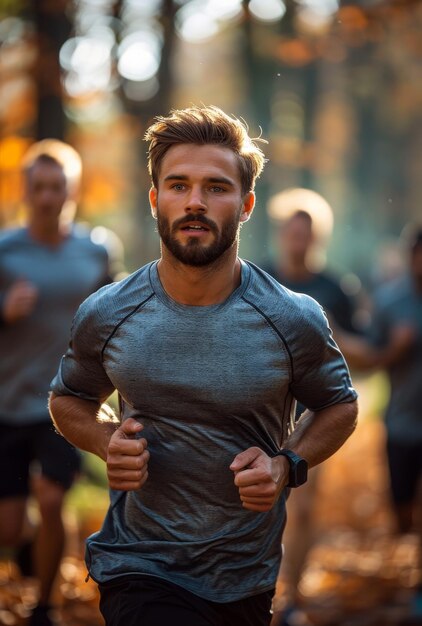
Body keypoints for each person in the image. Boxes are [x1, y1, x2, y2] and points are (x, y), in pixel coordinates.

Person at [48, 105, 358, 626]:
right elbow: (69, 398)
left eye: (216, 187)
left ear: (246, 205)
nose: (195, 202)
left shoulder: (292, 317)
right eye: (178, 185)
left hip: (244, 575)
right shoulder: (108, 311)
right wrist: (104, 441)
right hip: (137, 565)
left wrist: (286, 466)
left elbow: (339, 406)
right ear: (155, 199)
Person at [0, 139, 118, 626]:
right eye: (39, 187)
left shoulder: (96, 251)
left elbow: (113, 319)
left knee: (52, 499)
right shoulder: (5, 250)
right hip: (6, 402)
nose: (48, 197)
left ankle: (44, 606)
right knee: (8, 526)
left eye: (58, 187)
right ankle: (28, 546)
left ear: (73, 191)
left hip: (65, 399)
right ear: (26, 190)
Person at [263, 189, 359, 626]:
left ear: (319, 236)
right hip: (258, 406)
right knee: (259, 502)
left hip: (311, 412)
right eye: (292, 231)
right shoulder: (256, 277)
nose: (299, 240)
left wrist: (337, 333)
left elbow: (361, 351)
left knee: (301, 506)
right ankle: (256, 588)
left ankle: (291, 597)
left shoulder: (336, 289)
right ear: (282, 233)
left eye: (308, 233)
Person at [337, 224, 422, 618]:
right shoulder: (391, 301)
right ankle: (405, 562)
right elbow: (368, 357)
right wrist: (394, 349)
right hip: (403, 425)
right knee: (401, 507)